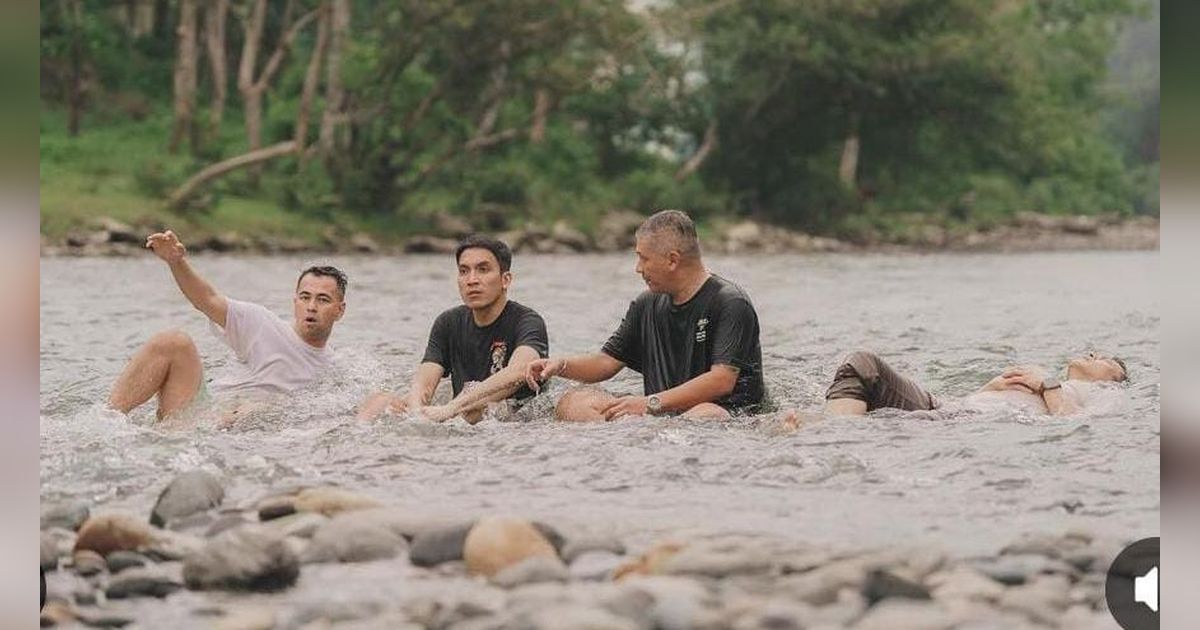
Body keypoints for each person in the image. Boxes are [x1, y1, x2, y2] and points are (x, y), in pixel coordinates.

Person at [526, 209, 766, 421]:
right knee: (573, 401)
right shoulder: (646, 304)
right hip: (660, 415)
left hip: (724, 415)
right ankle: (619, 442)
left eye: (643, 258)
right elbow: (605, 363)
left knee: (706, 413)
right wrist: (559, 365)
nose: (638, 268)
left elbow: (722, 381)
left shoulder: (730, 302)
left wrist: (649, 403)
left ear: (673, 260)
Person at [107, 230, 347, 422]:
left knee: (260, 409)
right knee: (173, 341)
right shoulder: (261, 324)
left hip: (240, 437)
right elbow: (207, 299)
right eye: (305, 297)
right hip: (197, 416)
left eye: (323, 300)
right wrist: (176, 262)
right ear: (295, 302)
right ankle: (105, 423)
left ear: (340, 310)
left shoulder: (336, 369)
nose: (312, 306)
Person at [358, 235, 549, 424]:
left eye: (483, 270)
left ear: (505, 279)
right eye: (464, 271)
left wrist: (452, 408)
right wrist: (416, 414)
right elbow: (425, 383)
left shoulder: (528, 321)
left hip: (513, 418)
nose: (471, 280)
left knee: (476, 411)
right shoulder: (448, 322)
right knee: (381, 401)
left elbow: (519, 372)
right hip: (459, 411)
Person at [823, 350, 1128, 417]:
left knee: (866, 367)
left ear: (1116, 378)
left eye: (1104, 358)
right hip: (948, 408)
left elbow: (1073, 423)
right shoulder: (1054, 382)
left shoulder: (1106, 394)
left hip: (954, 422)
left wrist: (1046, 384)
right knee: (860, 364)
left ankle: (827, 437)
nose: (1092, 354)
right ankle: (833, 431)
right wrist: (989, 388)